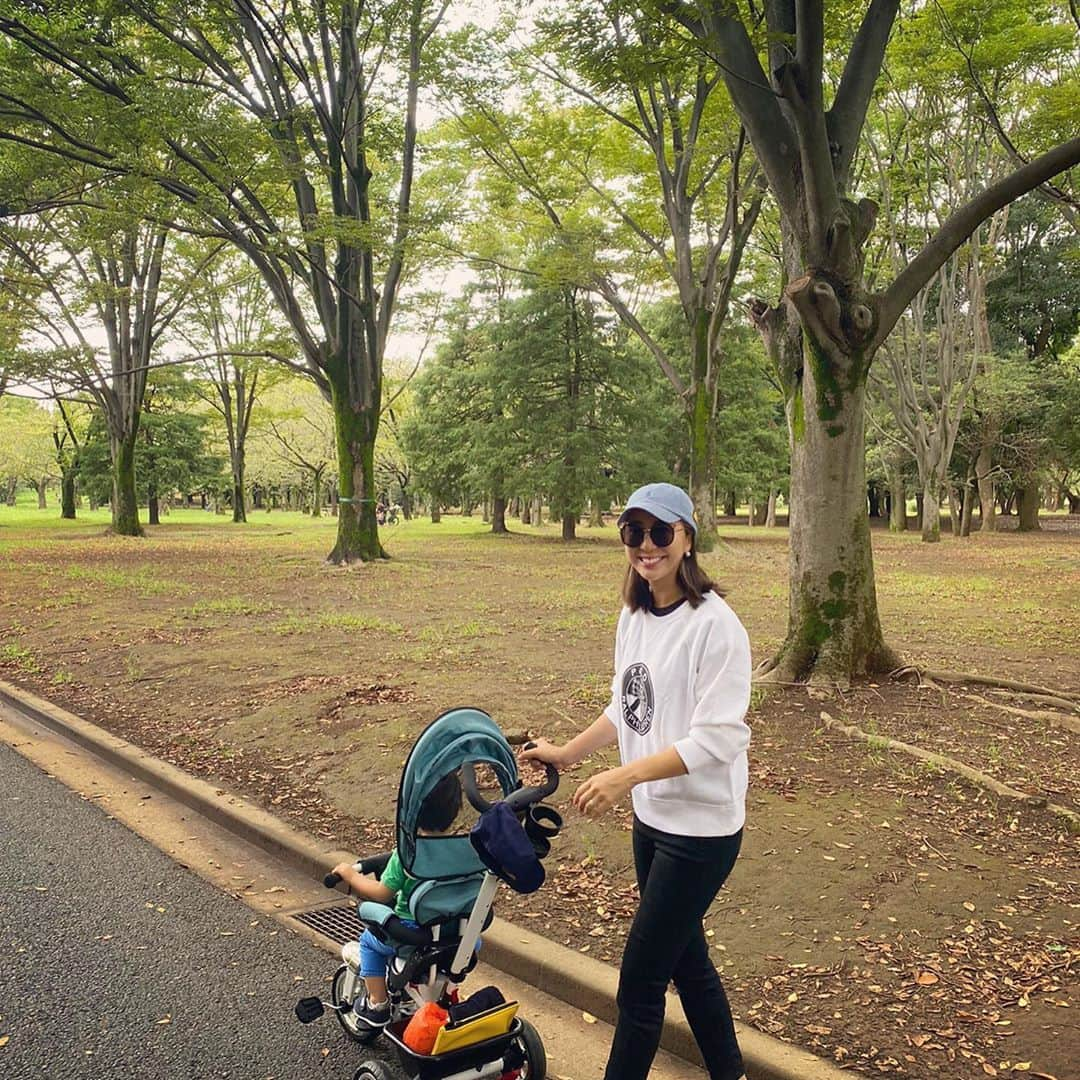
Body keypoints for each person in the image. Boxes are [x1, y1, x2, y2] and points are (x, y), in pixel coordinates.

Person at [523, 481, 751, 1080]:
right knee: (688, 963)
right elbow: (628, 705)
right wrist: (569, 753)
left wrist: (623, 776)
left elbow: (718, 739)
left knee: (641, 982)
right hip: (653, 821)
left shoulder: (716, 626)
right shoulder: (635, 614)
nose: (645, 546)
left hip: (701, 832)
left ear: (686, 538)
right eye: (633, 533)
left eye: (659, 532)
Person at [329, 770, 463, 1028]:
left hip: (414, 939)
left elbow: (381, 892)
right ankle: (439, 998)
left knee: (369, 942)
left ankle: (377, 1004)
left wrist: (350, 875)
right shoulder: (463, 850)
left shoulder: (407, 854)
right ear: (456, 808)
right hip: (457, 936)